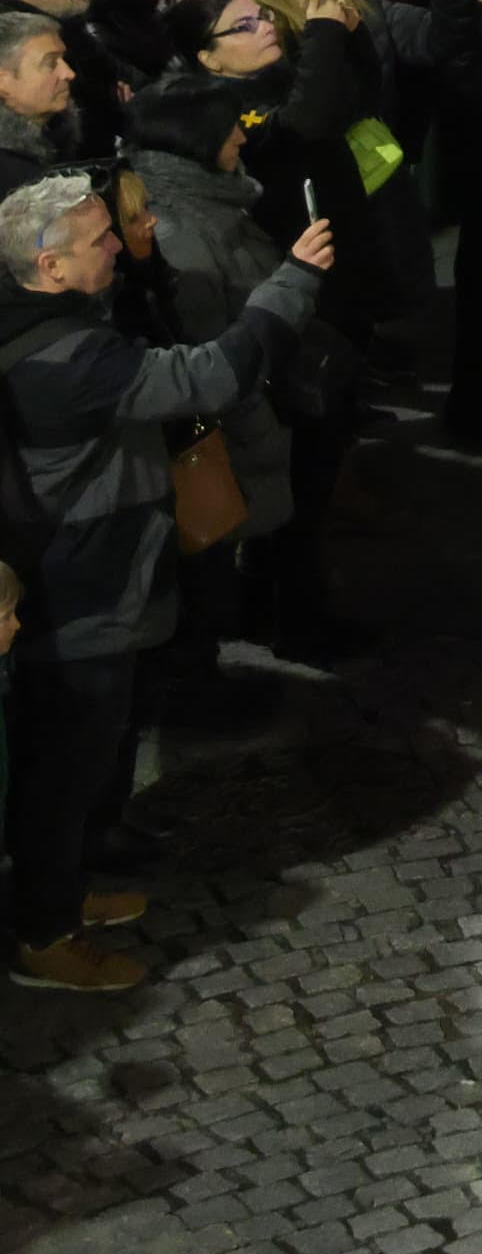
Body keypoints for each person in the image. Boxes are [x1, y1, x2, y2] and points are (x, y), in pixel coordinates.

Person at [0, 165, 332, 987]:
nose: (117, 242)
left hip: (87, 580)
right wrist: (292, 282)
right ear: (49, 267)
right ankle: (43, 934)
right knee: (63, 769)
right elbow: (208, 375)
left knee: (92, 752)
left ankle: (67, 888)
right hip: (77, 590)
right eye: (99, 239)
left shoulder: (52, 318)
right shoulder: (69, 357)